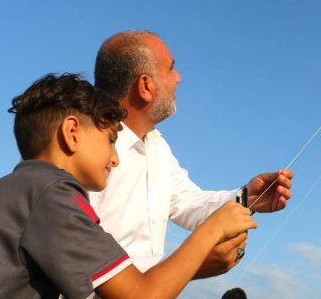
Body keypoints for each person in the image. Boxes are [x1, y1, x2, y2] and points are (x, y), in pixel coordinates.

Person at [0, 74, 256, 299]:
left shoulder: (11, 190)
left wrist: (196, 265)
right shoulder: (53, 193)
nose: (115, 159)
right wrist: (212, 230)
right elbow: (140, 296)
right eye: (111, 140)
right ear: (71, 133)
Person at [89, 30, 294, 276]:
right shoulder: (87, 149)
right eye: (170, 69)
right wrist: (192, 262)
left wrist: (247, 197)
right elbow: (84, 259)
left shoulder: (157, 146)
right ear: (145, 86)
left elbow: (187, 201)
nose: (179, 78)